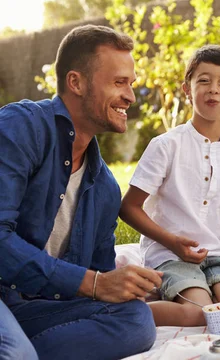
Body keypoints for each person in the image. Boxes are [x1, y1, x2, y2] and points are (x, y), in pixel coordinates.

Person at [0, 24, 163, 360]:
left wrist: (120, 286)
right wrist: (94, 284)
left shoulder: (104, 188)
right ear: (76, 82)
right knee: (18, 353)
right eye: (119, 82)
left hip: (35, 308)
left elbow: (100, 284)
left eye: (130, 84)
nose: (131, 96)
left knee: (136, 320)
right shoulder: (22, 127)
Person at [119, 45, 220, 327]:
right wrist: (172, 241)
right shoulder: (165, 146)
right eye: (204, 81)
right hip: (170, 254)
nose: (214, 89)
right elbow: (129, 208)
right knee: (198, 313)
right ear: (187, 89)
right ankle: (125, 311)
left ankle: (183, 293)